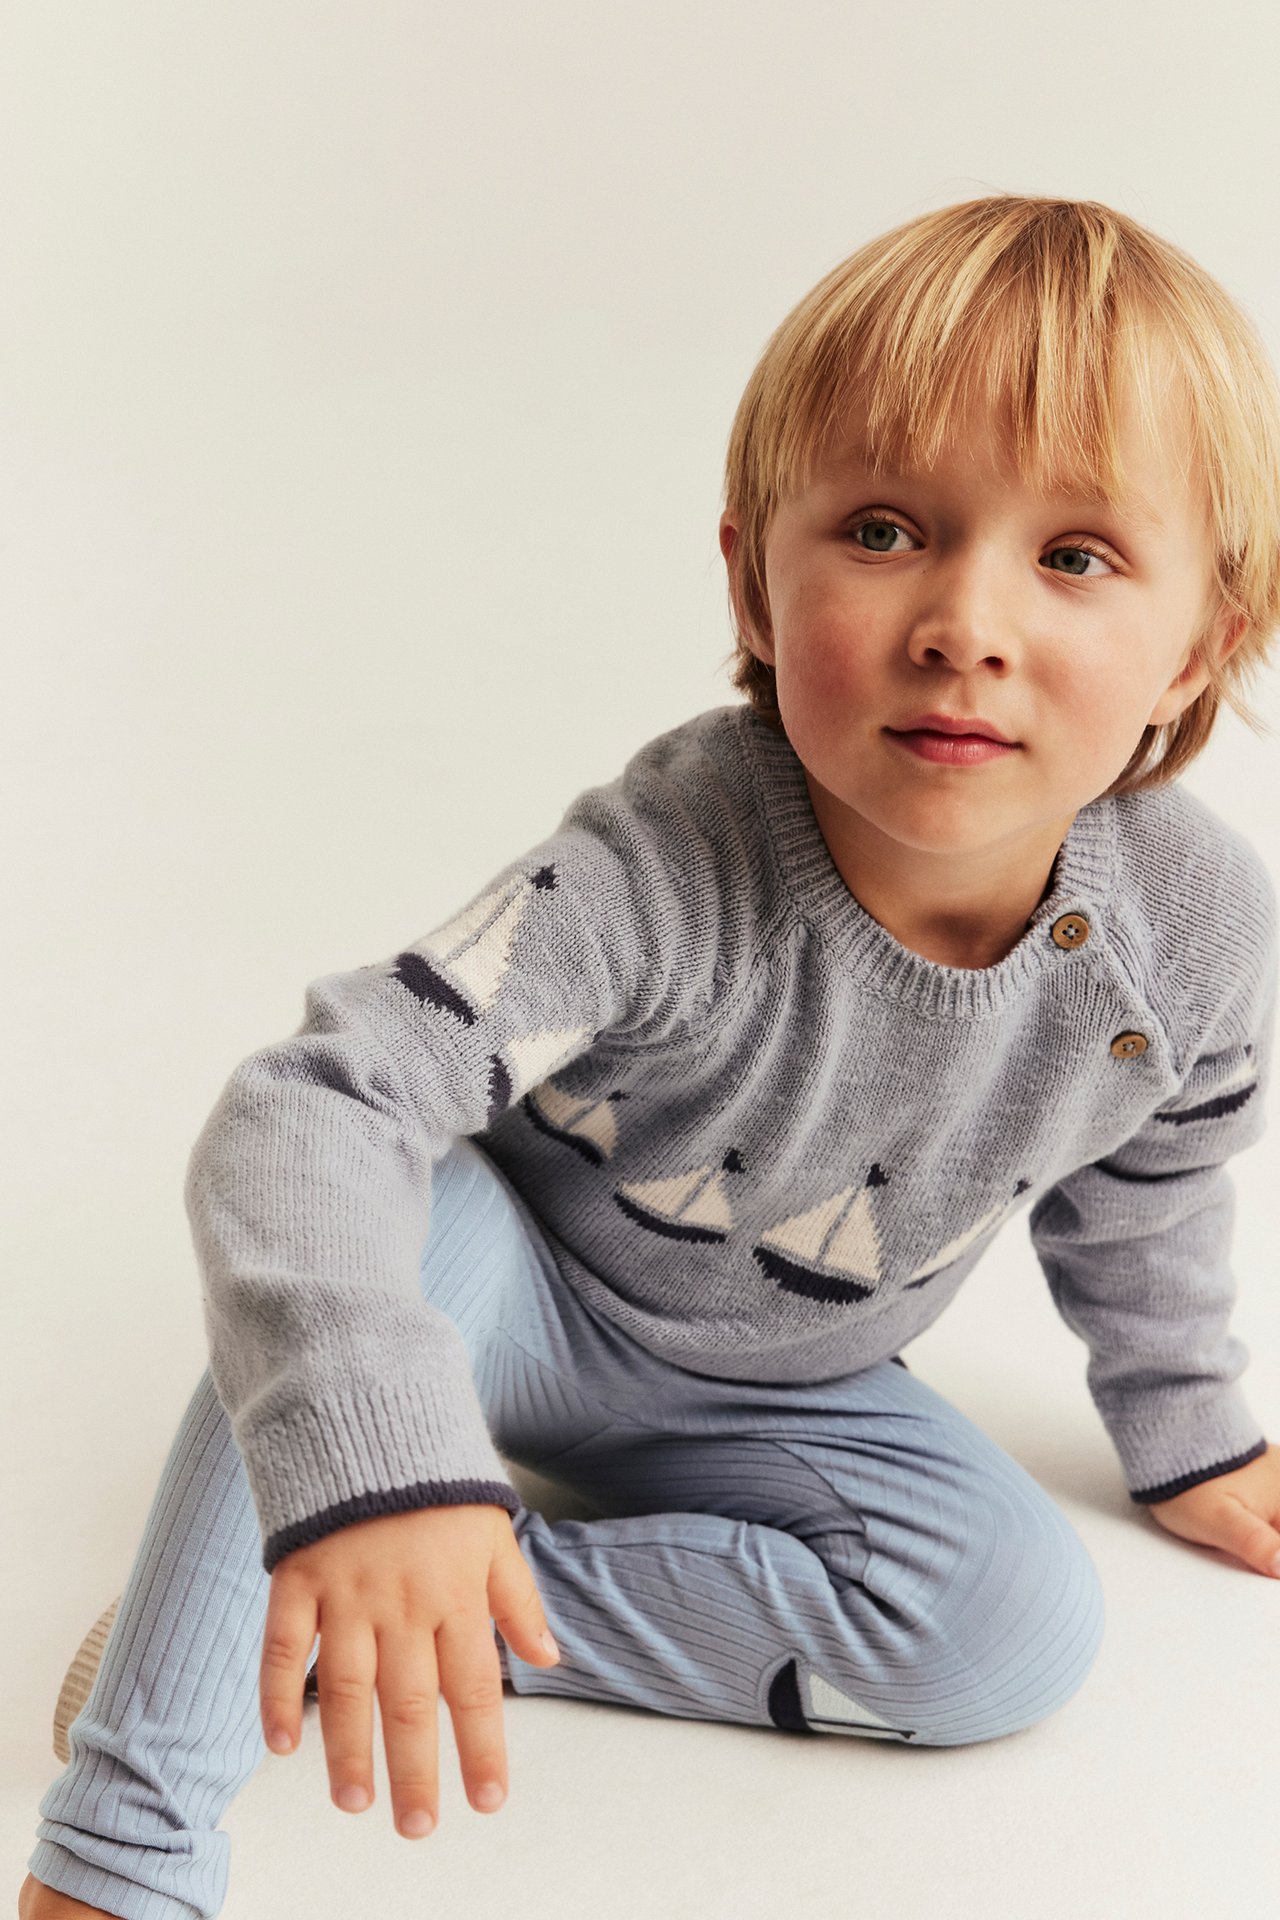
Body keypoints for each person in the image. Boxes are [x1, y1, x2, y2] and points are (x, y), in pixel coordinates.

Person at [22, 193, 1280, 1920]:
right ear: (754, 578)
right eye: (888, 528)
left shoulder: (1191, 931)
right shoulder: (665, 869)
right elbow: (313, 1107)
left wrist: (1190, 1430)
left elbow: (1153, 1176)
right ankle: (125, 1846)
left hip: (793, 1383)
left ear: (1202, 643)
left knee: (1013, 1631)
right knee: (382, 1269)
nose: (965, 622)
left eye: (1075, 557)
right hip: (524, 1282)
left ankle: (423, 1613)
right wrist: (380, 1432)